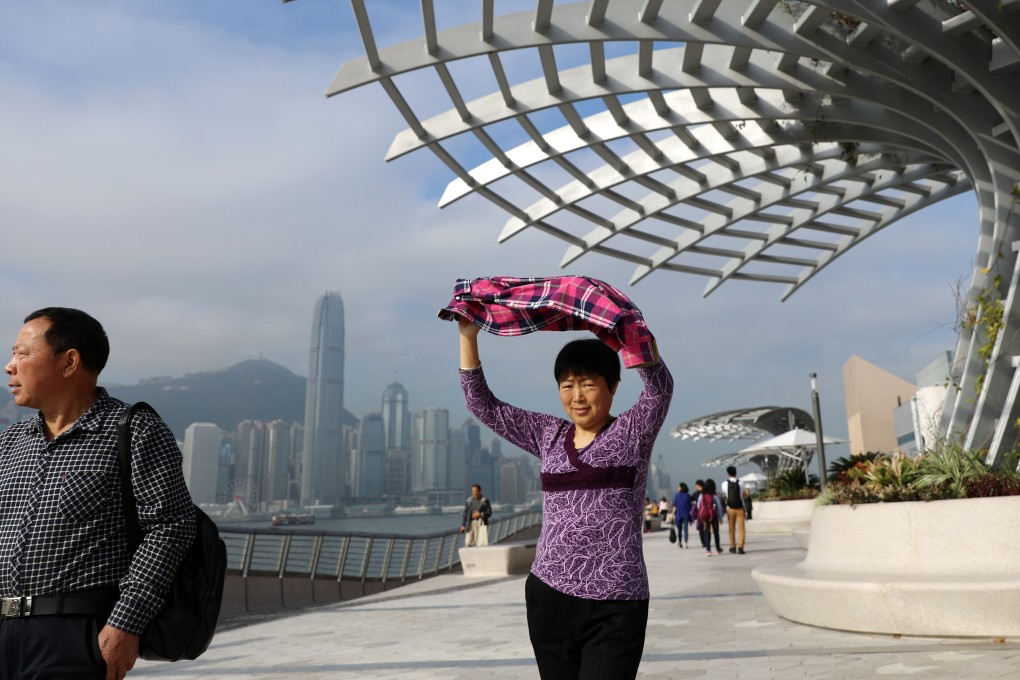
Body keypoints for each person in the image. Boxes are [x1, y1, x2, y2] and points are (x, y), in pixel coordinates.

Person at [457, 319, 673, 680]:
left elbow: (659, 390)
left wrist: (632, 339)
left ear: (613, 386)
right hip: (550, 597)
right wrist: (468, 335)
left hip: (617, 601)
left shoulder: (632, 432)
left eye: (588, 384)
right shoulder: (548, 434)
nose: (577, 397)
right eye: (567, 385)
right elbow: (484, 405)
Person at [0, 307, 196, 680]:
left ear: (70, 361)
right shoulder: (9, 443)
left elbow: (171, 527)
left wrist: (126, 624)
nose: (10, 366)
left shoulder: (134, 431)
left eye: (22, 354)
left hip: (73, 635)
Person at [721, 466, 747, 555]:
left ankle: (732, 547)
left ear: (728, 473)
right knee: (741, 528)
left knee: (731, 528)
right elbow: (744, 495)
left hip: (730, 508)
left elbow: (725, 495)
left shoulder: (724, 484)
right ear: (736, 473)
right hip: (740, 508)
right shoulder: (741, 483)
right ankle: (741, 547)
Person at [697, 478, 724, 556]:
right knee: (716, 533)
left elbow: (698, 506)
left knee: (707, 532)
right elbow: (718, 507)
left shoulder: (701, 496)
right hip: (714, 516)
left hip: (705, 516)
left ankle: (708, 550)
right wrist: (721, 517)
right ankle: (718, 549)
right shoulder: (714, 496)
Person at [672, 483, 692, 549]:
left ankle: (680, 542)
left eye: (678, 487)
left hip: (679, 514)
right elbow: (690, 506)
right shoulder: (688, 495)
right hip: (686, 514)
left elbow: (675, 506)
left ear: (681, 488)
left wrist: (672, 514)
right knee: (686, 529)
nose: (678, 488)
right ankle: (686, 543)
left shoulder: (677, 495)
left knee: (679, 529)